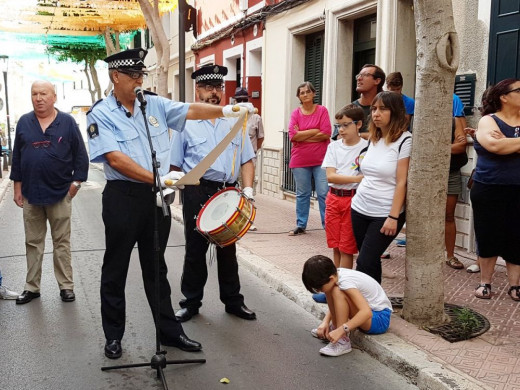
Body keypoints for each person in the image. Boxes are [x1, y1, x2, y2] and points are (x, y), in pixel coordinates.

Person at [87, 50, 252, 359]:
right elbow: (114, 158)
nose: (139, 80)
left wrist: (227, 111)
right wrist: (157, 179)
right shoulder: (101, 113)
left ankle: (169, 332)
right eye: (133, 76)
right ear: (115, 77)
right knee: (116, 268)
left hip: (154, 200)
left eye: (141, 75)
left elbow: (191, 110)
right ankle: (114, 336)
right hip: (123, 197)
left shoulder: (154, 104)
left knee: (156, 269)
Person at [171, 64, 256, 323]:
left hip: (227, 190)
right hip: (197, 190)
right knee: (195, 250)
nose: (214, 93)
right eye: (208, 87)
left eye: (218, 87)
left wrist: (249, 189)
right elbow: (175, 164)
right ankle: (191, 302)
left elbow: (246, 159)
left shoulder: (235, 120)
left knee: (228, 250)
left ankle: (233, 301)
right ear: (197, 90)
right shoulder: (186, 122)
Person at [10, 80, 89, 305]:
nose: (39, 98)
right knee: (33, 242)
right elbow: (17, 157)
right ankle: (32, 287)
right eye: (34, 94)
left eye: (43, 93)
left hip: (60, 193)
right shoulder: (25, 123)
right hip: (31, 194)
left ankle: (66, 286)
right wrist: (17, 187)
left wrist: (76, 184)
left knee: (61, 242)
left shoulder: (68, 122)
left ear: (54, 96)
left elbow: (81, 156)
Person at [351, 91, 412, 284]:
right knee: (369, 261)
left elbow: (402, 182)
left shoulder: (405, 140)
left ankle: (360, 303)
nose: (376, 113)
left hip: (385, 213)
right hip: (359, 208)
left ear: (395, 112)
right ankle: (375, 305)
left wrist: (393, 217)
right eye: (374, 109)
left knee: (364, 260)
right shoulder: (373, 139)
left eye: (383, 109)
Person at [470, 78, 520, 301]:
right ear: (504, 97)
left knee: (517, 236)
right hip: (489, 188)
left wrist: (510, 143)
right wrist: (508, 145)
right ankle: (485, 283)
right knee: (488, 234)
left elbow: (502, 145)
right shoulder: (489, 121)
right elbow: (495, 146)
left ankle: (515, 286)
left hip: (517, 188)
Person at [302, 255, 392, 357]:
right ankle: (334, 328)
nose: (318, 291)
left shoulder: (346, 282)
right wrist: (325, 322)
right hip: (370, 315)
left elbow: (366, 312)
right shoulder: (335, 276)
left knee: (336, 291)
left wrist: (341, 330)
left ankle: (342, 341)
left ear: (331, 278)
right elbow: (337, 304)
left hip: (380, 319)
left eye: (319, 288)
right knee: (330, 290)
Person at [322, 104, 367, 269]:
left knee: (346, 247)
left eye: (346, 125)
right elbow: (331, 176)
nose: (341, 129)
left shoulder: (366, 147)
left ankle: (345, 286)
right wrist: (357, 178)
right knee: (335, 244)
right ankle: (336, 283)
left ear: (359, 124)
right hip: (333, 198)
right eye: (338, 125)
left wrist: (353, 181)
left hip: (353, 200)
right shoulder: (333, 146)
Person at [288, 81, 331, 235]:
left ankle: (328, 225)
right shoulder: (295, 113)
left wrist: (303, 136)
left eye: (307, 92)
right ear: (298, 96)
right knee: (302, 193)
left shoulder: (322, 111)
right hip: (300, 160)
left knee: (323, 193)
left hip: (321, 160)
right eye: (302, 93)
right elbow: (293, 136)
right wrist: (315, 131)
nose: (305, 95)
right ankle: (301, 224)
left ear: (314, 93)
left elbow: (326, 133)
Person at [234, 87, 264, 230]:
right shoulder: (231, 116)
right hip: (233, 159)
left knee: (249, 190)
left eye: (244, 100)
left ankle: (248, 221)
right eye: (239, 100)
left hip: (250, 160)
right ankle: (236, 219)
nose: (241, 103)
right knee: (236, 189)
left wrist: (253, 151)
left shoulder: (256, 118)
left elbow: (260, 137)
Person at [445, 94, 469, 270]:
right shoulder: (420, 117)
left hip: (451, 172)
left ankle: (450, 255)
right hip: (427, 174)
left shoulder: (455, 119)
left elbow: (461, 146)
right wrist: (450, 146)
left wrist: (435, 148)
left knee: (448, 214)